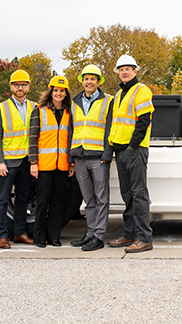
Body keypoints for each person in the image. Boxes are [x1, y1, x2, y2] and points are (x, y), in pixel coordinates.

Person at [103, 55, 154, 253]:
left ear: (135, 71)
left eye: (128, 68)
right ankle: (130, 234)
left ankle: (144, 238)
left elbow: (143, 121)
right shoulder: (118, 94)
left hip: (134, 150)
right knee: (128, 195)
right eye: (121, 69)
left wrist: (133, 145)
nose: (124, 72)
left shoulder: (141, 91)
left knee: (139, 194)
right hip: (121, 149)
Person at [0, 69, 36, 249]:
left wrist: (34, 161)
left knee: (22, 199)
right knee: (1, 199)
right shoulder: (1, 108)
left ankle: (19, 233)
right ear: (11, 87)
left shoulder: (34, 107)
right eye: (17, 85)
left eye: (23, 85)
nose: (20, 88)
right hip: (7, 163)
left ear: (28, 87)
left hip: (26, 161)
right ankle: (2, 236)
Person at [68, 64, 113, 252]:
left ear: (98, 81)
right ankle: (91, 232)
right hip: (79, 156)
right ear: (82, 81)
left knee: (101, 197)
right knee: (88, 199)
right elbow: (72, 129)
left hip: (98, 157)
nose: (89, 82)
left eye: (92, 79)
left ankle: (99, 236)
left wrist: (107, 153)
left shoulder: (108, 101)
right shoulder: (75, 102)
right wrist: (71, 157)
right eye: (86, 79)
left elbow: (111, 127)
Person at [29, 75, 73, 248]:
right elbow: (32, 138)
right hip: (44, 165)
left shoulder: (69, 113)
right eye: (56, 90)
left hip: (62, 165)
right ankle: (39, 237)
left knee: (58, 202)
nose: (58, 93)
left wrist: (71, 163)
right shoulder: (39, 111)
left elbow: (71, 140)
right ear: (51, 92)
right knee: (42, 201)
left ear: (66, 93)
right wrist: (33, 162)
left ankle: (54, 237)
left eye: (62, 91)